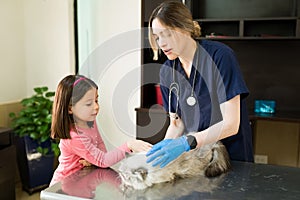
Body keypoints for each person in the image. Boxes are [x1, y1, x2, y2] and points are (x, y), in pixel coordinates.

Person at [146, 1, 254, 168]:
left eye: (166, 34)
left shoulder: (220, 57)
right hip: (196, 162)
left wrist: (187, 142)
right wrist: (165, 147)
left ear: (185, 28)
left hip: (232, 159)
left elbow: (231, 124)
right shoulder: (168, 71)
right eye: (157, 37)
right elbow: (177, 123)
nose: (161, 43)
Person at [50, 75, 152, 186]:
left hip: (84, 180)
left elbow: (100, 145)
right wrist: (129, 145)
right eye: (89, 103)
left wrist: (94, 159)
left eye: (96, 100)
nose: (96, 106)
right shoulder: (75, 136)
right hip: (65, 186)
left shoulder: (90, 122)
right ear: (70, 108)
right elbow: (103, 160)